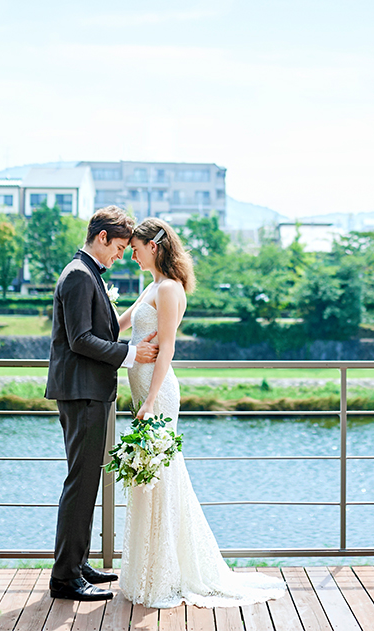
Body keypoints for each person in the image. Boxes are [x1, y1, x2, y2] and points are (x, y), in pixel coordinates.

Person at [117, 217, 286, 608]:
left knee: (159, 475)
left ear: (153, 246)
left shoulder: (171, 290)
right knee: (148, 478)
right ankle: (149, 571)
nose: (134, 254)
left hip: (157, 394)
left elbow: (168, 349)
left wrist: (148, 400)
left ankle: (166, 574)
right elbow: (121, 324)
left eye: (137, 248)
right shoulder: (152, 287)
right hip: (141, 384)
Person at [45, 206, 159, 602]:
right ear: (103, 237)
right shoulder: (78, 276)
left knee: (86, 481)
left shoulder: (86, 273)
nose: (120, 255)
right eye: (120, 247)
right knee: (80, 484)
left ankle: (76, 563)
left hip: (88, 391)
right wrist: (130, 354)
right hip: (82, 392)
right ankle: (65, 578)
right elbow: (79, 340)